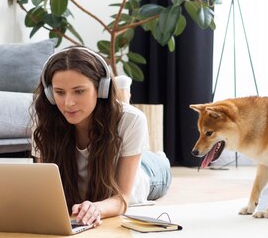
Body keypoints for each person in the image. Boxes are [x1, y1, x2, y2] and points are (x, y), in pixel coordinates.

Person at [31, 46, 172, 227]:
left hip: (149, 173)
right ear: (50, 94)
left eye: (79, 91)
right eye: (59, 92)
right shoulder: (44, 122)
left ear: (101, 89)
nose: (68, 103)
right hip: (112, 162)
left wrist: (97, 208)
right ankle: (124, 96)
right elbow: (46, 190)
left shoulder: (133, 119)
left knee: (154, 159)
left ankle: (153, 150)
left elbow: (122, 199)